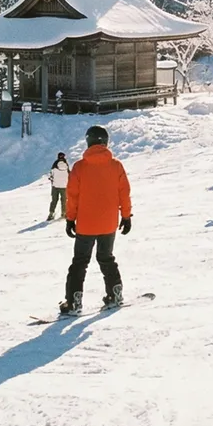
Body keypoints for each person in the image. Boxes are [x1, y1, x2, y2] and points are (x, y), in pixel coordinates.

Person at [61, 125, 132, 315]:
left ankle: (74, 302)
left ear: (88, 142)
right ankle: (115, 294)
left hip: (86, 224)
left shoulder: (79, 167)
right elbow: (124, 193)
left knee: (80, 262)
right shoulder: (116, 165)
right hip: (108, 223)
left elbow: (72, 196)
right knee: (106, 258)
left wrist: (70, 219)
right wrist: (126, 216)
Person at [46, 152, 70, 221]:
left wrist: (52, 179)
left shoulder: (55, 164)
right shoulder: (66, 165)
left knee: (54, 200)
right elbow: (69, 173)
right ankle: (64, 213)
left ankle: (51, 214)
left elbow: (52, 174)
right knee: (64, 200)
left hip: (55, 186)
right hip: (64, 186)